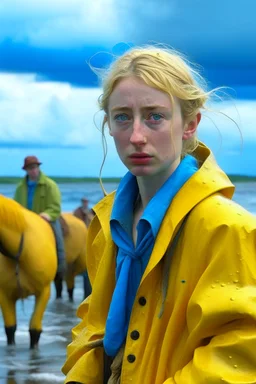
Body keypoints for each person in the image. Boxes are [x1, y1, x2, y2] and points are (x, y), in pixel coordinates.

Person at [62, 46, 256, 384]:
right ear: (109, 124)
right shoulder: (107, 226)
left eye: (155, 116)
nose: (137, 136)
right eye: (122, 116)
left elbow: (242, 346)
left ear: (190, 124)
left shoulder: (228, 227)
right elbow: (92, 320)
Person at [14, 155, 66, 279]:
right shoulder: (20, 188)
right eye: (30, 168)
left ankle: (60, 268)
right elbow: (16, 206)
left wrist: (47, 215)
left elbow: (56, 206)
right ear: (26, 170)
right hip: (26, 222)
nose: (33, 170)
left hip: (46, 220)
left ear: (38, 167)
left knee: (58, 240)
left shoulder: (50, 185)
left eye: (35, 167)